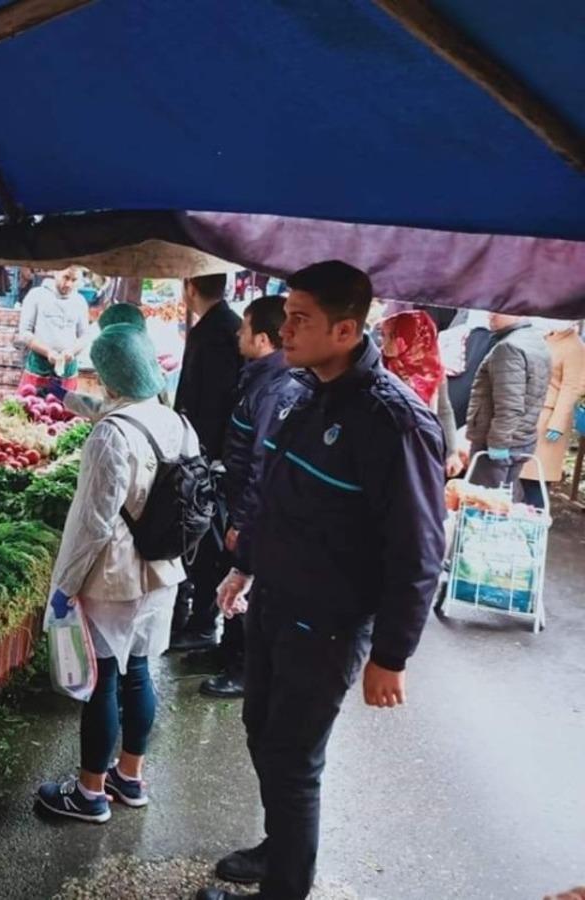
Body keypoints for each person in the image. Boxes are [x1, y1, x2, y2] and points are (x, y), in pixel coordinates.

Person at [195, 261, 445, 900]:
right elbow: (275, 491)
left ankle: (286, 887)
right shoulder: (300, 390)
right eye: (287, 315)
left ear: (345, 329)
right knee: (261, 733)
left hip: (328, 623)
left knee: (294, 761)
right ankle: (280, 848)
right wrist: (245, 564)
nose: (285, 329)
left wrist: (391, 654)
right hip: (275, 601)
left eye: (301, 319)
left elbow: (418, 548)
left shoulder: (394, 421)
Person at [36, 324, 195, 823]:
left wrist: (64, 585)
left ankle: (89, 794)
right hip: (164, 570)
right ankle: (130, 776)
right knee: (141, 671)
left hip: (116, 576)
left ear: (109, 376)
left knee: (102, 680)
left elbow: (93, 521)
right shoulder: (177, 422)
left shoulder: (111, 434)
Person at [200, 295, 295, 700]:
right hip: (237, 502)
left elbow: (262, 466)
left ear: (261, 339)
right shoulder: (258, 377)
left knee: (244, 583)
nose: (237, 334)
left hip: (250, 512)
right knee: (230, 579)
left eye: (244, 328)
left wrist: (242, 522)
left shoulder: (276, 389)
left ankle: (243, 670)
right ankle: (226, 652)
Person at [172, 273, 243, 652]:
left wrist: (203, 457)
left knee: (207, 543)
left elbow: (211, 403)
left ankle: (201, 622)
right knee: (206, 541)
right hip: (214, 456)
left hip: (208, 460)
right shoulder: (225, 326)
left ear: (190, 287)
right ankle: (198, 619)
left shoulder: (215, 332)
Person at [465, 314, 552, 500]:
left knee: (483, 507)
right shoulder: (535, 340)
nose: (490, 315)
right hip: (520, 440)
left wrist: (497, 445)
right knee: (505, 501)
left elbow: (509, 406)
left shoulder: (509, 347)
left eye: (499, 310)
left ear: (518, 312)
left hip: (498, 445)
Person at [378, 310, 463, 477]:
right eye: (383, 336)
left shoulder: (434, 372)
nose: (383, 343)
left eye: (390, 337)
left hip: (421, 450)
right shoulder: (380, 368)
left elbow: (444, 411)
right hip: (385, 450)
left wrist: (452, 453)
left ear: (411, 339)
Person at [519, 321, 585, 508]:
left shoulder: (575, 347)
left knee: (537, 479)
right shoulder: (546, 337)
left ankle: (534, 527)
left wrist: (557, 423)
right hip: (528, 411)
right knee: (519, 476)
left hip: (548, 416)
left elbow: (571, 387)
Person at [15, 266, 90, 394]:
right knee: (30, 408)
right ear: (56, 272)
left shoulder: (80, 301)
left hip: (68, 368)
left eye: (74, 280)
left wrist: (72, 351)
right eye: (66, 277)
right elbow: (25, 333)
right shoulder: (37, 295)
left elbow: (84, 336)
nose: (68, 284)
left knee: (64, 411)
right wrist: (48, 352)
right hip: (39, 366)